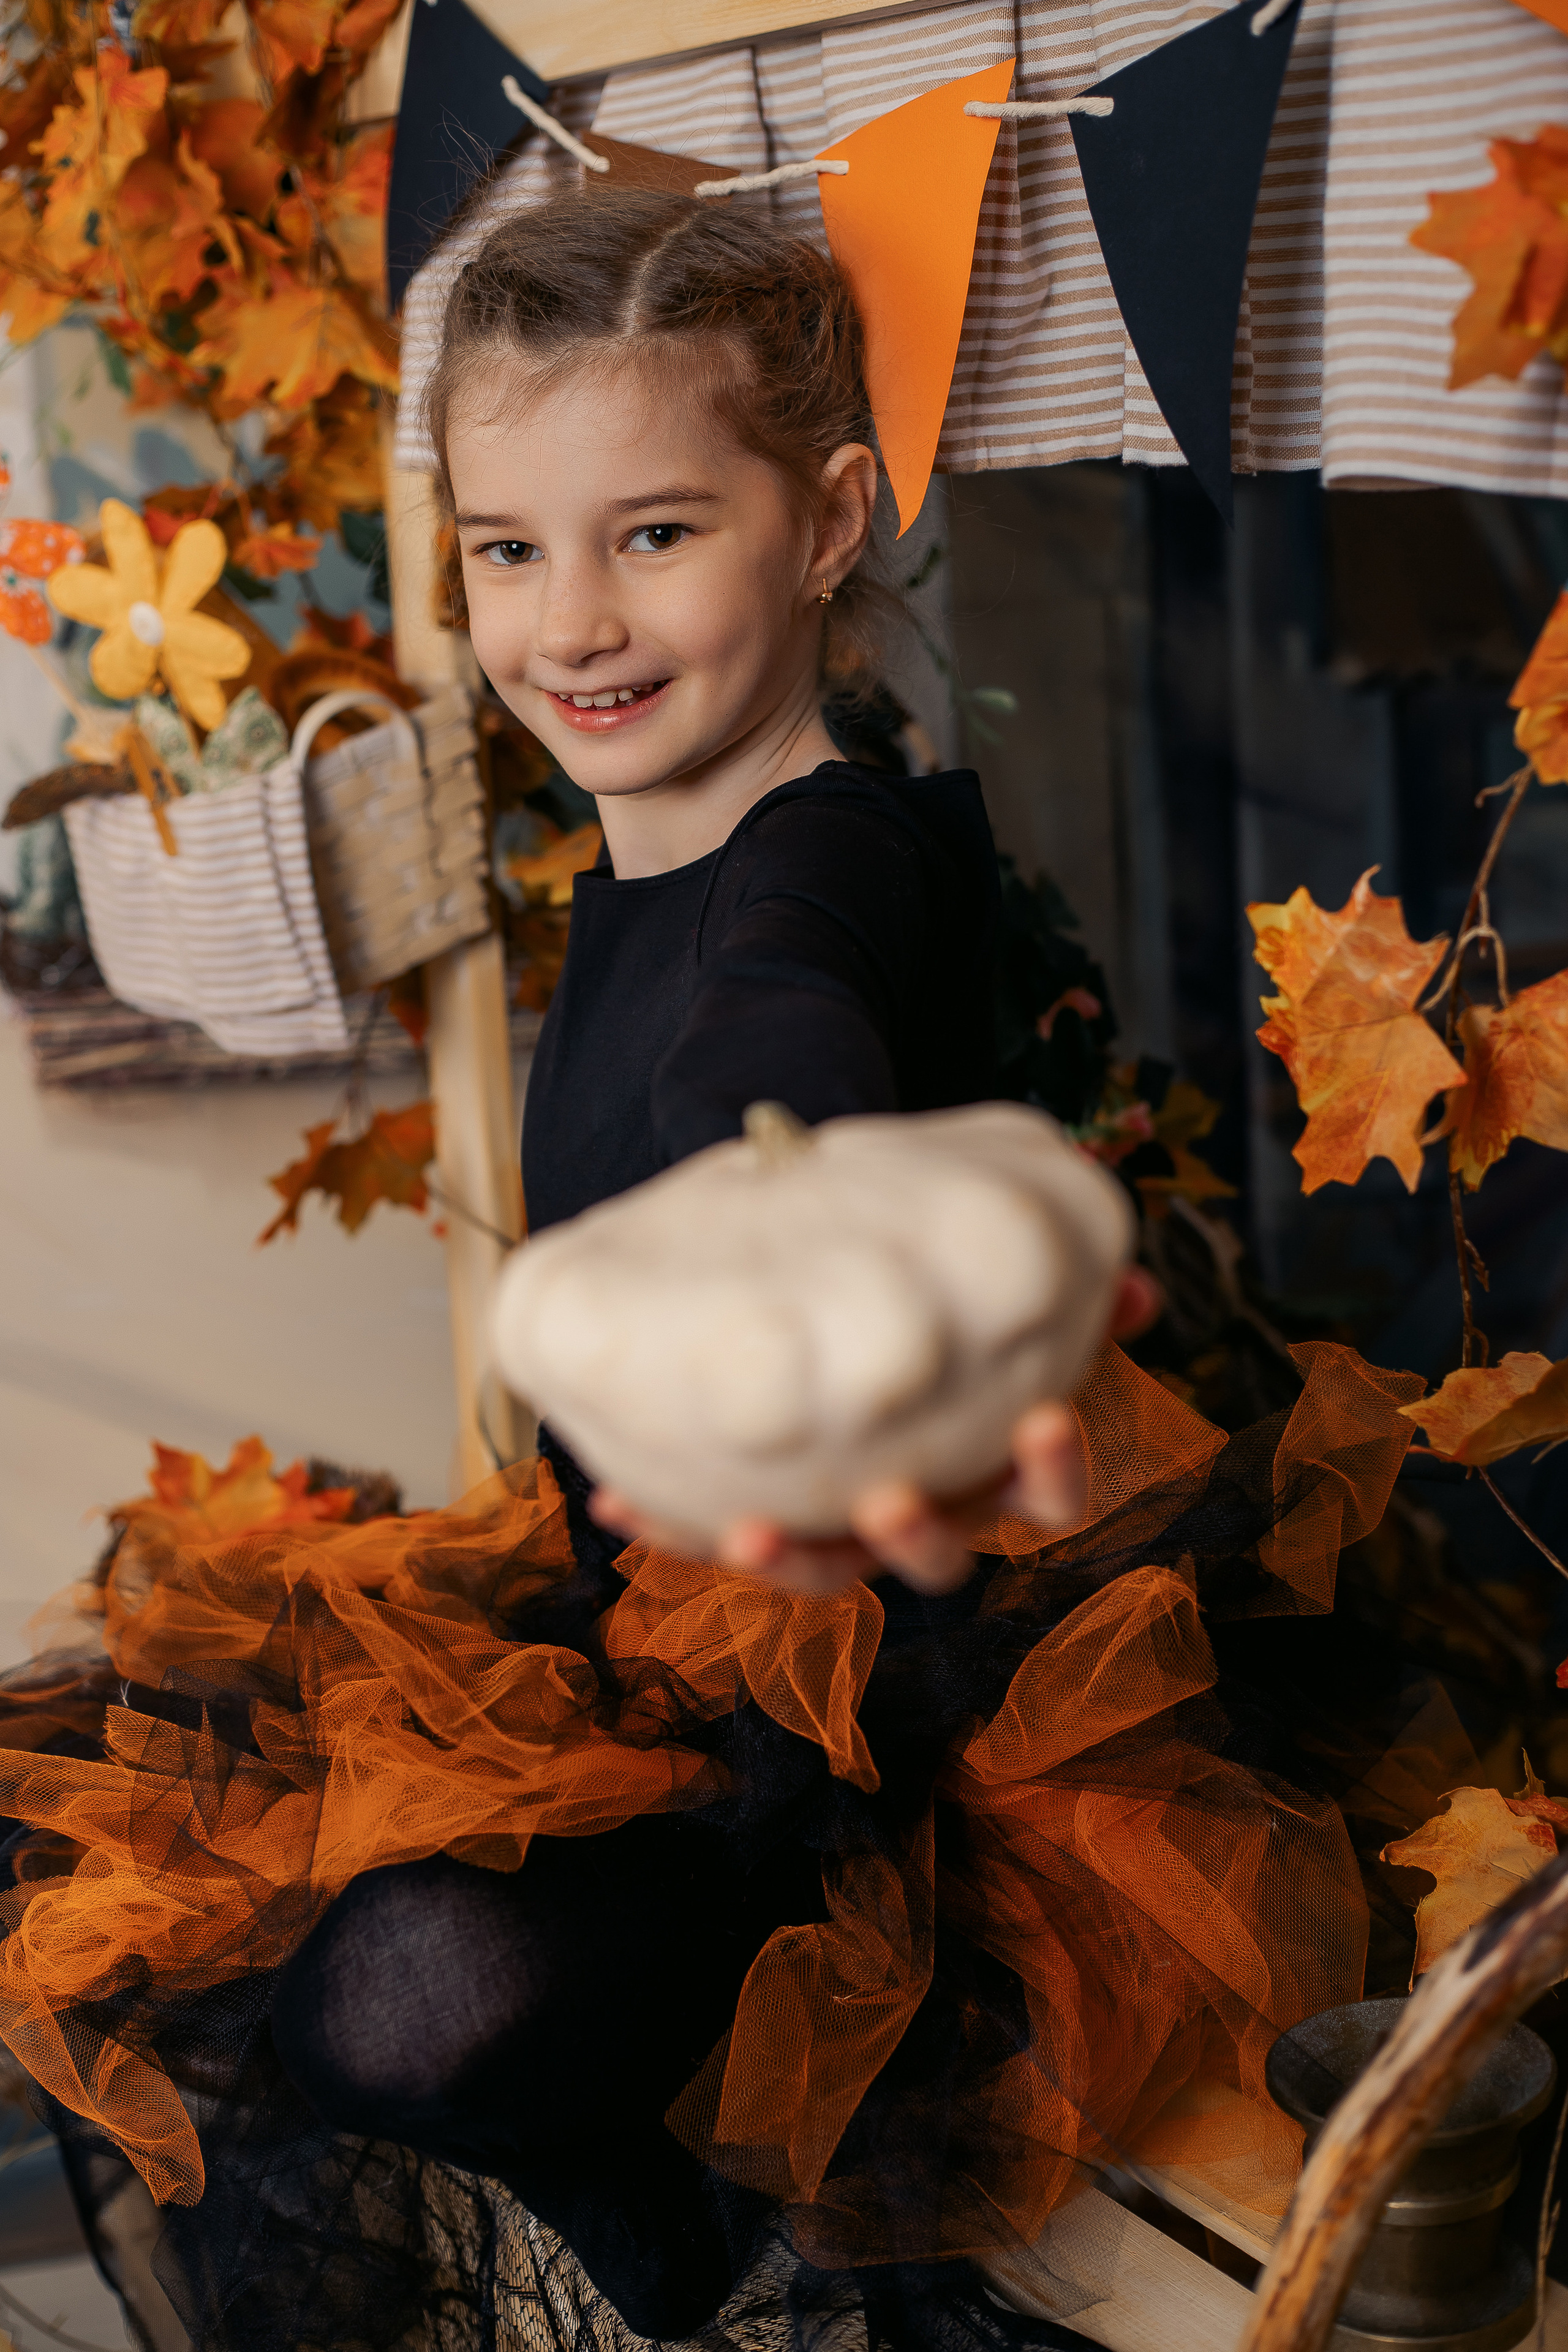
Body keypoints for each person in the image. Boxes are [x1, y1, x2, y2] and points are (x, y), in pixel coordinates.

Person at [0, 191, 1420, 2352]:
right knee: (128, 1820)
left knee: (419, 1983)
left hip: (872, 1730)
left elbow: (789, 1023)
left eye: (656, 533)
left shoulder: (825, 855)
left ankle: (687, 2176)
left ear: (833, 515)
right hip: (639, 1623)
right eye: (507, 547)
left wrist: (805, 1197)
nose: (573, 617)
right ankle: (638, 2174)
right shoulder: (632, 842)